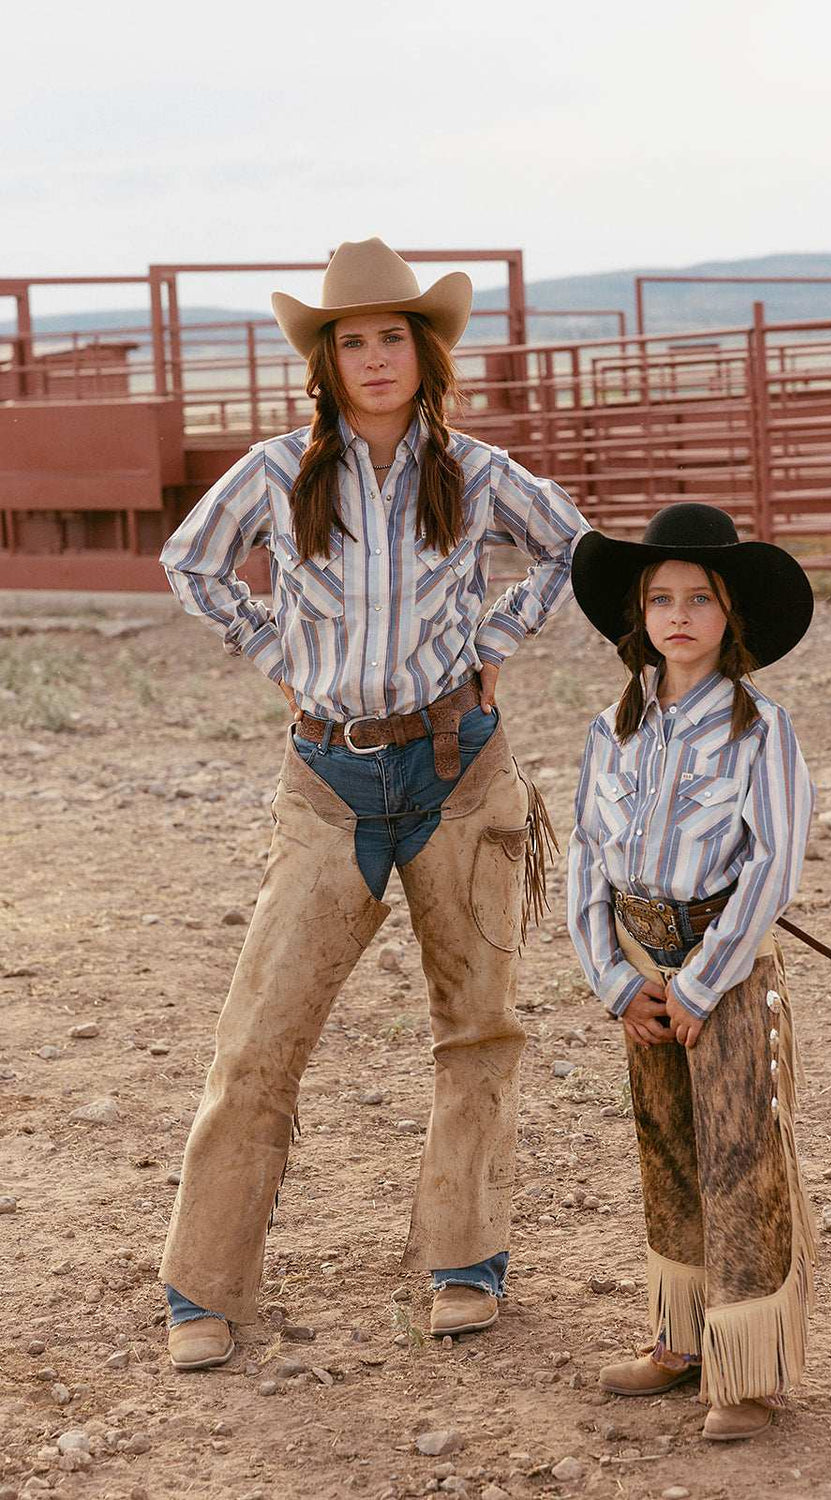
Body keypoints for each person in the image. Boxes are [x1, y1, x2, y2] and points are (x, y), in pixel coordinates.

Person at [156, 237, 587, 1371]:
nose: (376, 357)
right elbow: (190, 566)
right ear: (328, 360)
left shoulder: (481, 472)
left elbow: (572, 547)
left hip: (459, 773)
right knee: (259, 1039)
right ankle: (202, 1289)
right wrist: (275, 653)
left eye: (393, 336)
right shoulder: (272, 473)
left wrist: (493, 640)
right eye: (354, 340)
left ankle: (464, 1265)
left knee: (478, 1025)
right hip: (328, 782)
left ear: (424, 352)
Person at [567, 502, 826, 1441]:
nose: (680, 616)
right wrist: (614, 979)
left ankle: (747, 1368)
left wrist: (702, 984)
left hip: (723, 969)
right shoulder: (614, 730)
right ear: (640, 616)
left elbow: (772, 865)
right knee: (665, 1148)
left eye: (701, 600)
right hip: (641, 969)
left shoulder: (762, 732)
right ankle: (678, 1339)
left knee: (739, 1153)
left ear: (730, 618)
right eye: (662, 599)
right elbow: (587, 857)